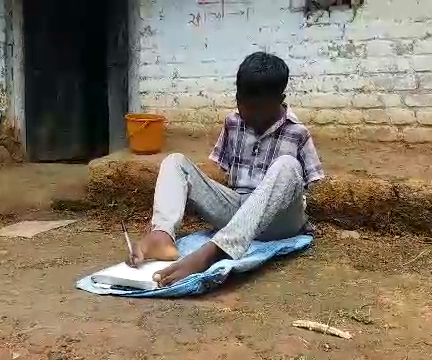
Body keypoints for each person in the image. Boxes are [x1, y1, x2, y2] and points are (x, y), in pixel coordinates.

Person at [126, 51, 324, 286]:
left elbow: (307, 185)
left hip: (281, 223)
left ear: (280, 99)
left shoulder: (297, 132)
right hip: (237, 211)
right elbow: (222, 174)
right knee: (175, 162)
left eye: (260, 108)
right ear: (237, 97)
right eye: (244, 105)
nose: (251, 114)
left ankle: (214, 251)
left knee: (288, 165)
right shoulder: (233, 123)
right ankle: (161, 236)